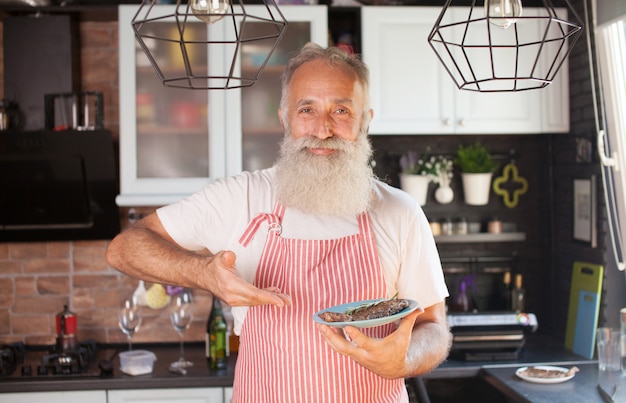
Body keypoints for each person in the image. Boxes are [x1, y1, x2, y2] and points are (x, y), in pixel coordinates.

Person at [106, 42, 451, 403]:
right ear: (285, 118)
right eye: (307, 109)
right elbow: (124, 248)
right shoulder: (240, 199)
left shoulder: (400, 211)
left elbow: (433, 325)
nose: (322, 129)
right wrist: (202, 272)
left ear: (365, 121)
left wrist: (405, 359)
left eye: (342, 110)